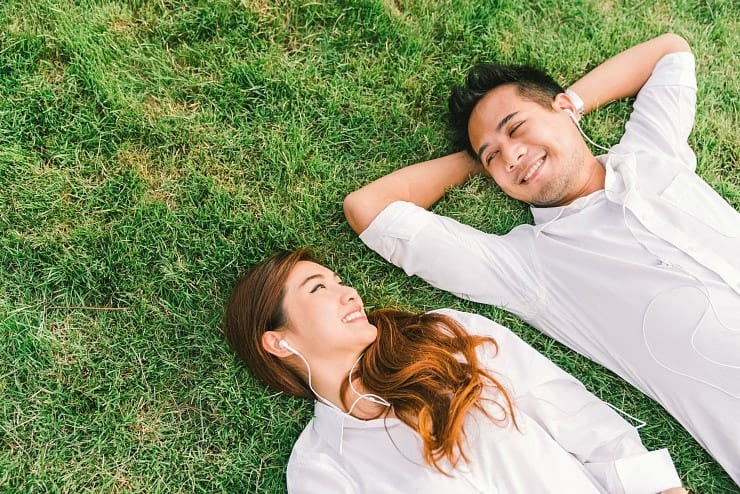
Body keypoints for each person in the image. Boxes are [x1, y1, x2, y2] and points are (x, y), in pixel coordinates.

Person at [343, 33, 740, 484]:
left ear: (563, 109)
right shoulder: (530, 268)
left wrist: (573, 101)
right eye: (493, 156)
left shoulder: (653, 155)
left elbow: (669, 50)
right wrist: (478, 158)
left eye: (516, 127)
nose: (510, 155)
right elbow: (369, 209)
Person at [224, 248, 686, 493]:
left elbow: (577, 417)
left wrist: (662, 489)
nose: (349, 293)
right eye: (317, 288)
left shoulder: (447, 337)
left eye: (342, 281)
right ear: (278, 341)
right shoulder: (320, 468)